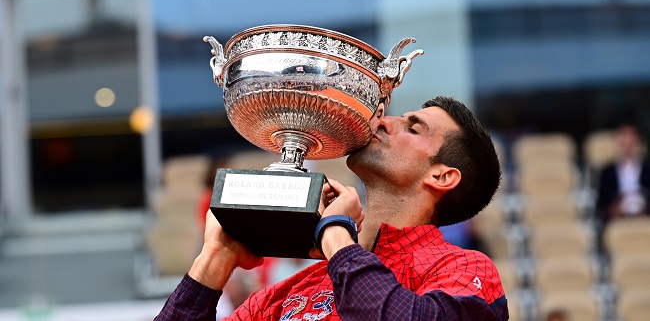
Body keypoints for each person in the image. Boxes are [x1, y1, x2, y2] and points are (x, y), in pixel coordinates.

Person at [155, 96, 508, 320]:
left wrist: (337, 235)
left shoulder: (464, 268)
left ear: (442, 176)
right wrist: (213, 261)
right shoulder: (287, 293)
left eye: (412, 128)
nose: (384, 121)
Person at [595, 124, 650, 224]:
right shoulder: (607, 172)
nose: (627, 146)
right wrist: (613, 209)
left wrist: (645, 209)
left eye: (631, 141)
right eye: (624, 142)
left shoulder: (647, 170)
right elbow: (601, 203)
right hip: (617, 218)